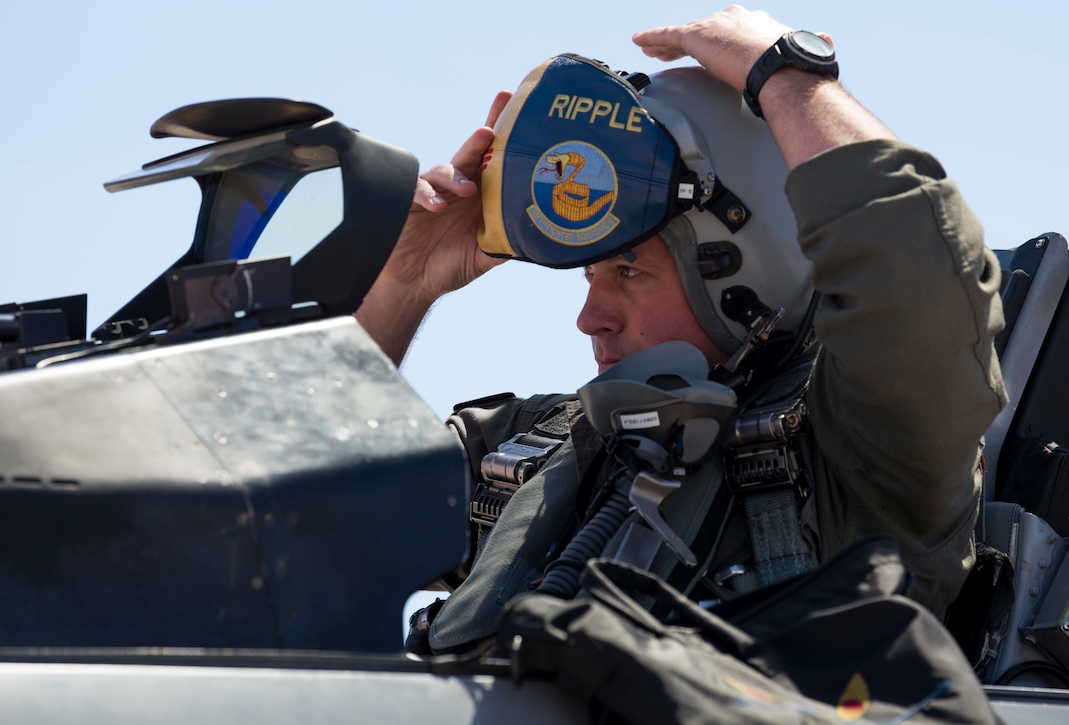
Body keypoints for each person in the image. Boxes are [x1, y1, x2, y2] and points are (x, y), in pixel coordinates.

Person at [355, 6, 1006, 654]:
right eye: (589, 275)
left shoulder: (866, 452)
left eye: (629, 270)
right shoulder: (529, 455)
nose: (590, 317)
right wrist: (402, 285)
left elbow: (918, 272)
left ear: (747, 274)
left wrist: (789, 78)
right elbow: (304, 509)